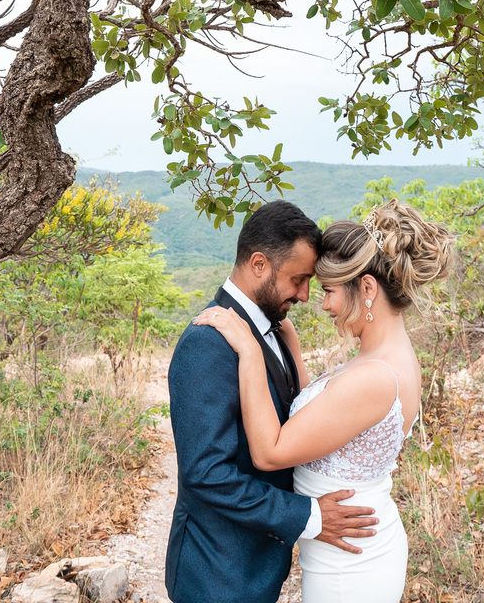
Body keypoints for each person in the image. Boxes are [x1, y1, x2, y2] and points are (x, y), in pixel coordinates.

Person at [194, 199, 454, 602]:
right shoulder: (382, 357)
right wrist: (292, 350)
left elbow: (271, 451)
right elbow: (321, 420)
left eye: (330, 291)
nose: (324, 303)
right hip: (347, 551)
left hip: (349, 565)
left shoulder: (373, 376)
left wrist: (249, 350)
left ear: (367, 288)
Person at [165, 200, 380, 603]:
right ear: (259, 264)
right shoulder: (206, 343)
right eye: (297, 279)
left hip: (257, 568)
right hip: (217, 574)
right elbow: (206, 473)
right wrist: (311, 517)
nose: (303, 294)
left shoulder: (274, 331)